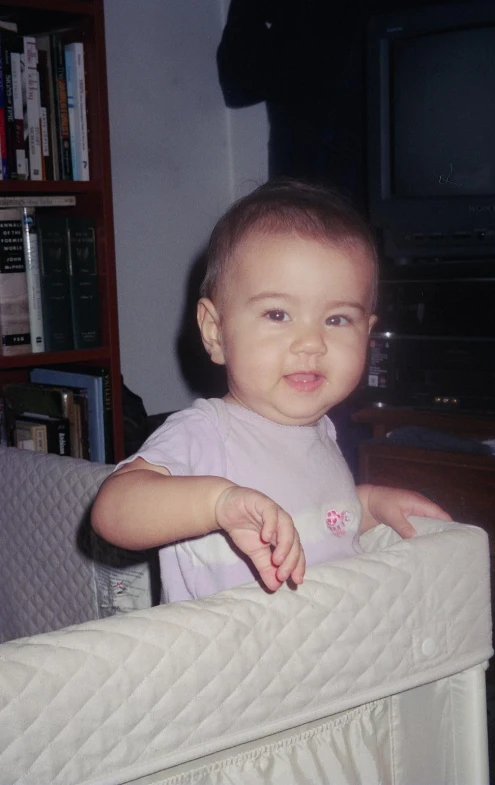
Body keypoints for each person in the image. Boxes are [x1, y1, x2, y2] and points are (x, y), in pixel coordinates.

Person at [92, 179, 450, 603]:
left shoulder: (322, 432)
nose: (311, 343)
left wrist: (369, 507)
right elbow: (113, 512)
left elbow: (321, 521)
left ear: (368, 336)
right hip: (236, 658)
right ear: (215, 331)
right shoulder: (205, 431)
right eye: (278, 314)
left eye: (337, 320)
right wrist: (217, 504)